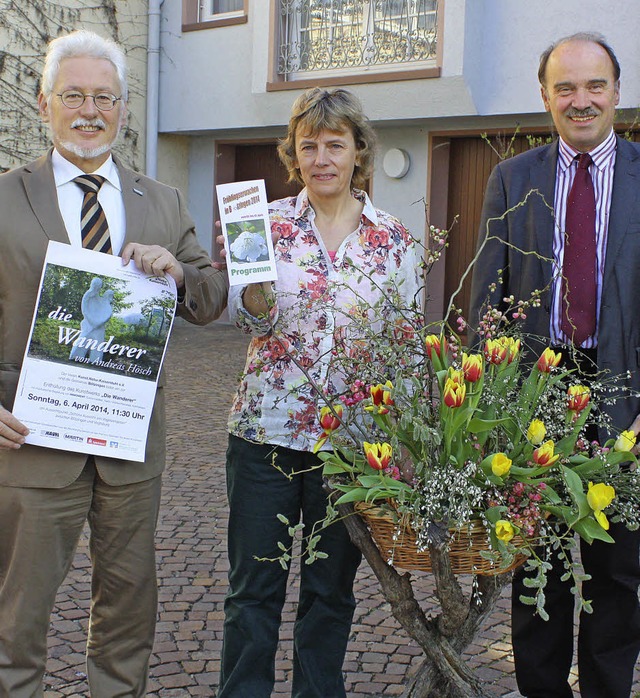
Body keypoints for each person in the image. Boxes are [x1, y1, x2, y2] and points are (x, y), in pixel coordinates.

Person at [0, 30, 228, 697]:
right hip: (32, 440)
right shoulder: (6, 197)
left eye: (104, 97)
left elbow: (212, 295)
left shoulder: (161, 200)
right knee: (17, 616)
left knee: (128, 609)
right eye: (73, 95)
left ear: (123, 109)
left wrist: (179, 275)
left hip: (130, 443)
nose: (90, 111)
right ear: (45, 104)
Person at [218, 87, 422, 697]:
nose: (322, 157)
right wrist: (252, 292)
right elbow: (249, 323)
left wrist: (406, 439)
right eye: (309, 145)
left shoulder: (395, 241)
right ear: (294, 154)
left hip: (354, 449)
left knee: (330, 594)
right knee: (253, 591)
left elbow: (407, 349)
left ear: (359, 151)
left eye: (336, 144)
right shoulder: (266, 226)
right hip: (266, 436)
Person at [469, 32, 640, 698]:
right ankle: (542, 690)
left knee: (617, 567)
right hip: (538, 393)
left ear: (617, 92)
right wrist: (495, 407)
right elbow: (489, 297)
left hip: (623, 384)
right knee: (535, 561)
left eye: (594, 85)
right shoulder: (514, 178)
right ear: (545, 96)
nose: (581, 100)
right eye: (565, 87)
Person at [69, 277, 114, 361]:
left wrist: (96, 323)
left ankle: (95, 360)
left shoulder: (105, 304)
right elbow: (85, 309)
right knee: (83, 340)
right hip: (88, 325)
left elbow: (105, 316)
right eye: (95, 285)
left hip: (98, 328)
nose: (96, 287)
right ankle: (76, 356)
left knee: (97, 345)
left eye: (98, 285)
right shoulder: (89, 295)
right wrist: (91, 321)